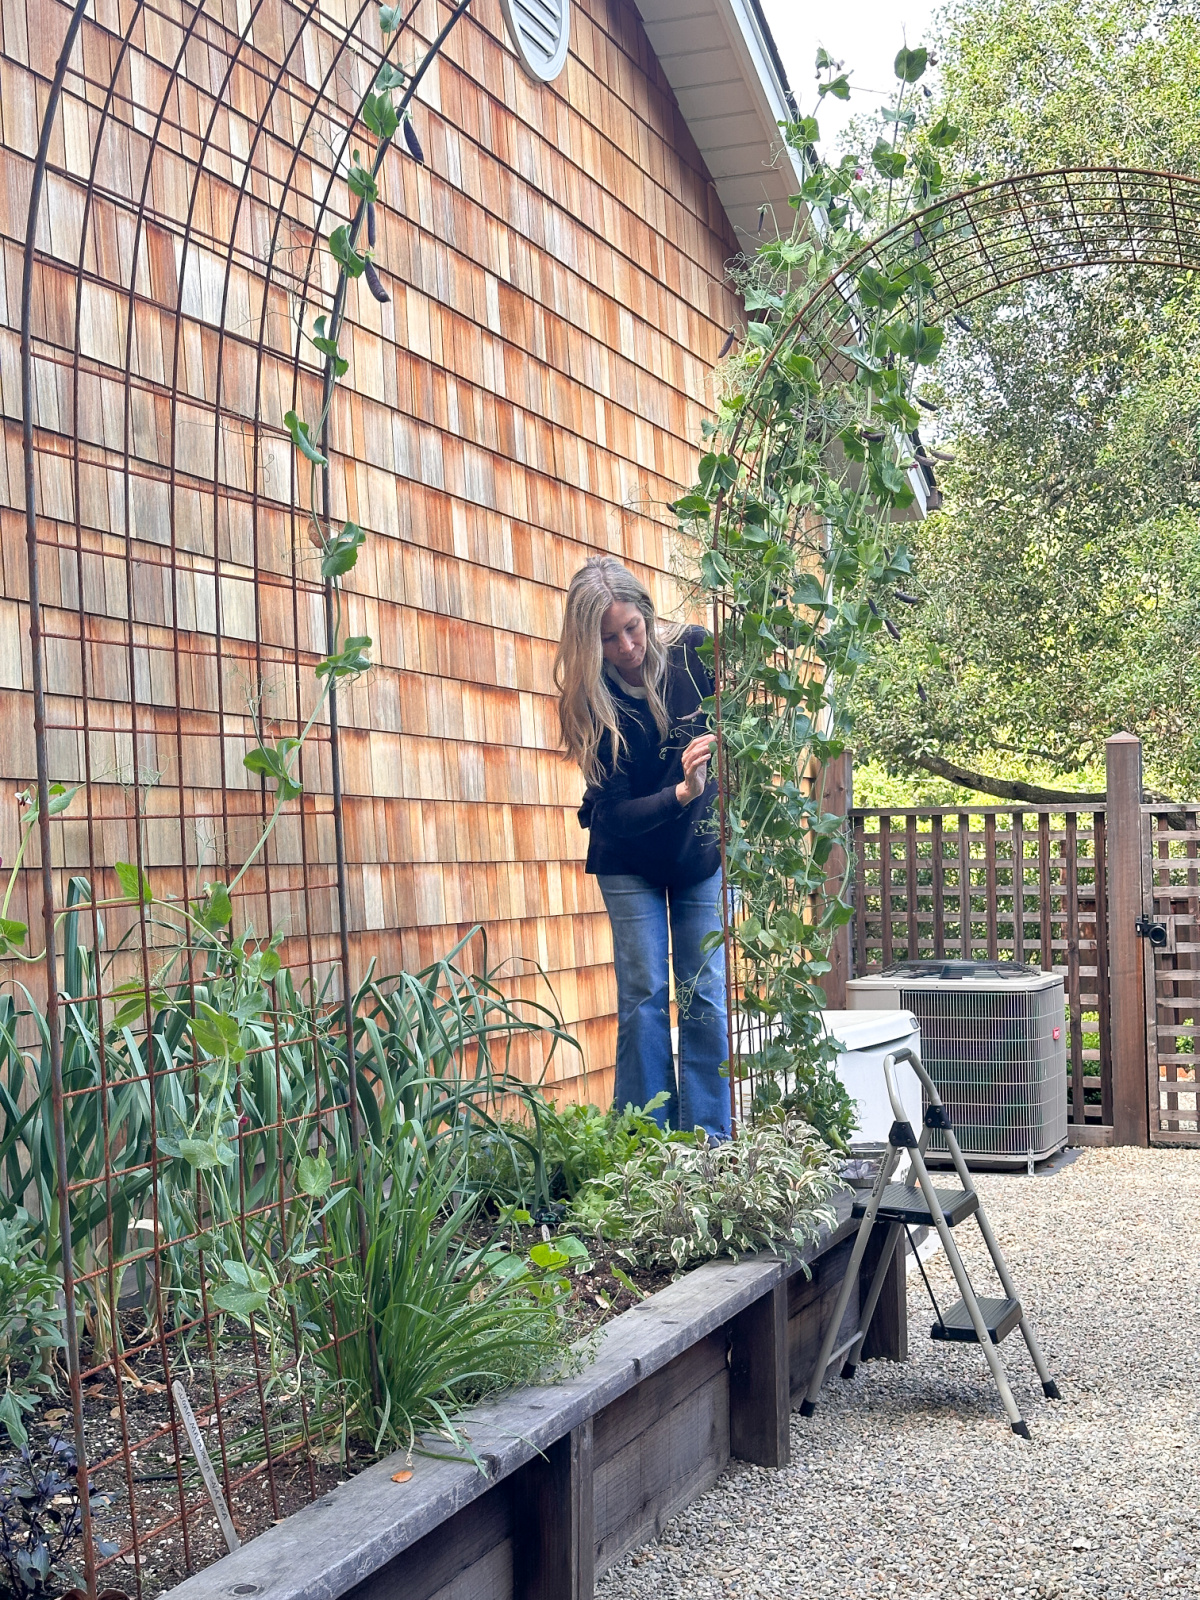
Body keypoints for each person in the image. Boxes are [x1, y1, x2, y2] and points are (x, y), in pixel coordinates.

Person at [554, 556, 731, 1139]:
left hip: (696, 854)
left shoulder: (695, 655)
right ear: (589, 642)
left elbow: (741, 727)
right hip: (628, 859)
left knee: (703, 992)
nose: (626, 646)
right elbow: (614, 815)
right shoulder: (592, 701)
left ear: (647, 615)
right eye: (608, 638)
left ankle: (711, 1146)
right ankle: (648, 1146)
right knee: (646, 997)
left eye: (632, 627)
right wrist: (682, 791)